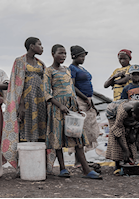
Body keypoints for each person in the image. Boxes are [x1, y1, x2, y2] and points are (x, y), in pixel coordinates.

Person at [43, 44, 102, 179]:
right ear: (53, 54)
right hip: (57, 107)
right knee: (58, 137)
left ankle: (86, 170)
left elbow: (72, 88)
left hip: (71, 107)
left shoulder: (67, 70)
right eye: (60, 53)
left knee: (77, 137)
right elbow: (46, 93)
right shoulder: (48, 71)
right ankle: (63, 169)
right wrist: (60, 105)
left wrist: (77, 105)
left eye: (65, 54)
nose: (63, 56)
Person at [1, 37, 47, 169]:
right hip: (26, 102)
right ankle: (24, 165)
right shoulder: (20, 61)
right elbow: (15, 83)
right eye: (40, 44)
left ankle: (39, 164)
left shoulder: (40, 63)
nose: (42, 47)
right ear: (32, 46)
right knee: (25, 131)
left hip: (40, 103)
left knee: (40, 130)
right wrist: (20, 104)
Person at [69, 45, 100, 152]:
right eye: (81, 56)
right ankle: (79, 160)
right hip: (80, 100)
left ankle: (83, 158)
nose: (83, 59)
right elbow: (72, 86)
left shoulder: (82, 68)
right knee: (81, 129)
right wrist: (84, 98)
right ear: (74, 56)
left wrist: (93, 105)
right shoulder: (72, 68)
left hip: (88, 100)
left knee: (89, 129)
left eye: (84, 56)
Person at [105, 100, 139, 175]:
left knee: (131, 139)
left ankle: (128, 162)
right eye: (136, 117)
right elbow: (117, 132)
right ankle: (117, 165)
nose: (137, 120)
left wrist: (132, 134)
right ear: (132, 112)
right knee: (119, 138)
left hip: (130, 114)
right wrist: (125, 150)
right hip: (113, 113)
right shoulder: (123, 112)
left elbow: (136, 127)